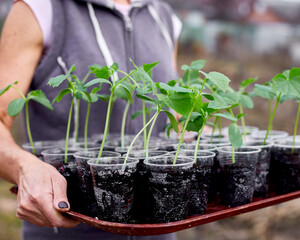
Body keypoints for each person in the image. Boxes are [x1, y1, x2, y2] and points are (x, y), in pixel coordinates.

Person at [0, 0, 181, 239]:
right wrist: (25, 168)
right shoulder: (41, 8)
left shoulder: (163, 15)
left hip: (157, 227)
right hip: (67, 227)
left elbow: (175, 121)